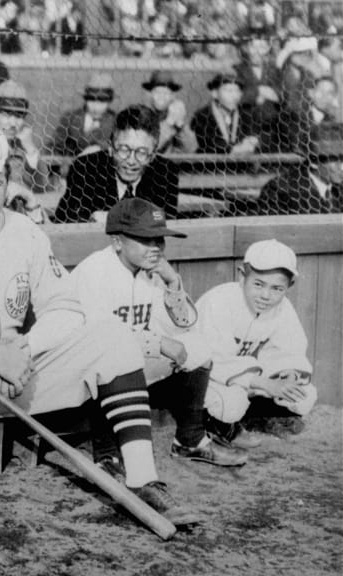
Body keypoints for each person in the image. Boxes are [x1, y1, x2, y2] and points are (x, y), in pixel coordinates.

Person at [0, 123, 199, 563]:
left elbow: (66, 309)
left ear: (8, 182)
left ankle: (142, 479)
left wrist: (24, 350)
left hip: (13, 376)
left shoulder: (24, 231)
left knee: (113, 337)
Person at [70, 198, 249, 473]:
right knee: (109, 359)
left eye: (160, 240)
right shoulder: (93, 272)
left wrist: (173, 283)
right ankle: (105, 454)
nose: (155, 248)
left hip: (133, 361)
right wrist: (159, 343)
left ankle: (190, 441)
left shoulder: (151, 272)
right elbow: (97, 336)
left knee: (198, 347)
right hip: (87, 368)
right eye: (145, 239)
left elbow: (184, 325)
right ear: (117, 241)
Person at [197, 240, 318, 444]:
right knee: (230, 403)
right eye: (258, 284)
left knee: (305, 395)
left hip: (250, 379)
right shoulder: (219, 301)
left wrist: (289, 374)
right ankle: (219, 429)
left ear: (290, 285)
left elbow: (290, 350)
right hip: (207, 378)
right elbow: (214, 362)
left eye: (277, 288)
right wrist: (267, 384)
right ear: (242, 276)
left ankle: (260, 420)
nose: (266, 295)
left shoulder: (283, 308)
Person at [54, 105, 179, 224]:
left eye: (142, 152)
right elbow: (67, 219)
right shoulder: (85, 168)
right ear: (110, 147)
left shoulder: (165, 171)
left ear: (152, 155)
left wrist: (116, 217)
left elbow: (164, 217)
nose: (131, 161)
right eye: (124, 150)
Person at [0, 80, 49, 223]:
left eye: (19, 116)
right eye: (7, 115)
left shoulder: (22, 146)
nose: (13, 123)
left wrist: (31, 149)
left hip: (23, 215)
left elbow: (41, 185)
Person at [255, 123, 342, 215]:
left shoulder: (338, 190)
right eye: (336, 161)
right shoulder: (281, 190)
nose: (342, 167)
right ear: (314, 162)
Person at [190, 73, 260, 155]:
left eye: (237, 91)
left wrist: (252, 141)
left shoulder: (246, 113)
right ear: (215, 93)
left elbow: (253, 134)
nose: (234, 95)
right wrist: (235, 149)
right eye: (228, 90)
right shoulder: (202, 115)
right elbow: (209, 144)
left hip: (241, 163)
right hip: (211, 163)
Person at [48, 74, 117, 157]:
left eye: (102, 101)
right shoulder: (70, 118)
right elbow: (55, 145)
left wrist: (100, 147)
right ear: (85, 99)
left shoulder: (115, 121)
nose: (96, 106)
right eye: (91, 100)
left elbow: (119, 147)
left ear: (109, 101)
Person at [142, 71, 198, 154]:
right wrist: (169, 123)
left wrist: (180, 125)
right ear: (150, 94)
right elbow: (147, 148)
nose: (161, 97)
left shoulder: (175, 114)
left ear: (173, 96)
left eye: (166, 93)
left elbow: (192, 149)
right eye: (157, 92)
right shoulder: (142, 114)